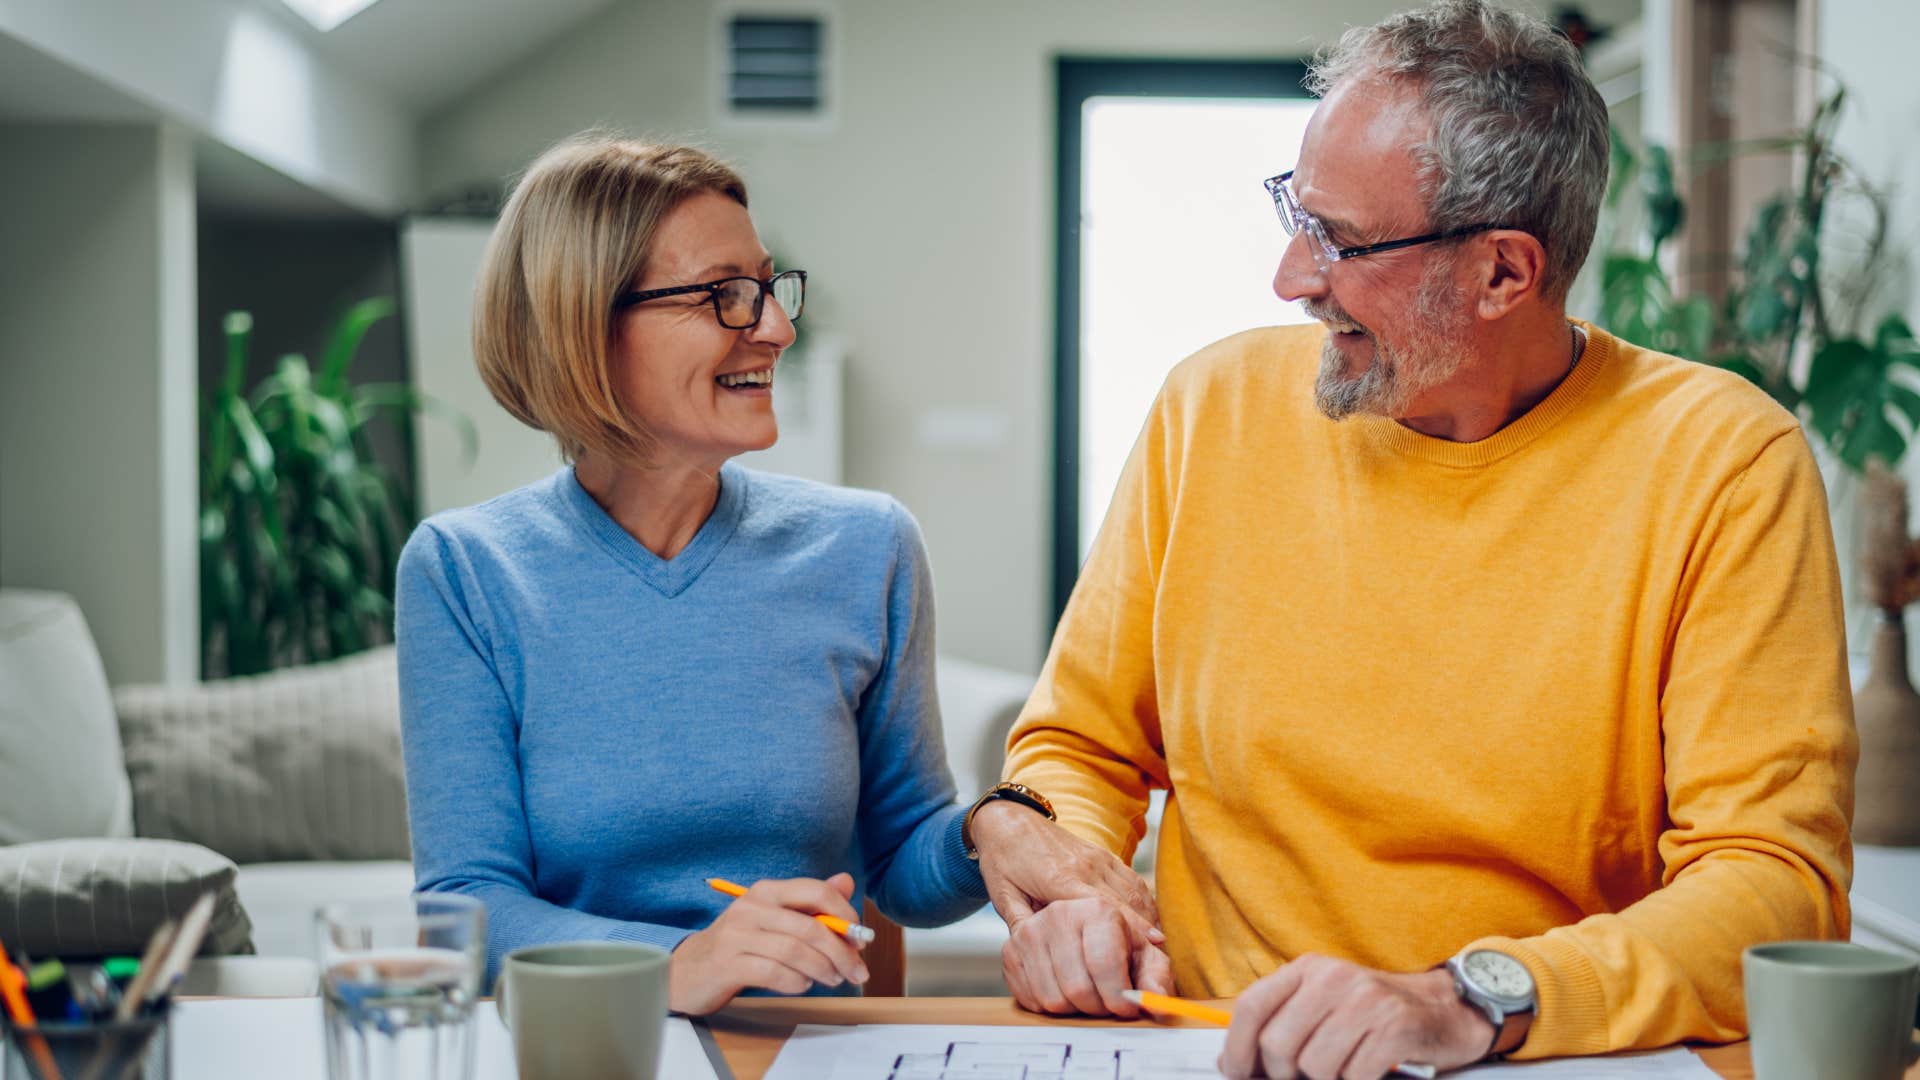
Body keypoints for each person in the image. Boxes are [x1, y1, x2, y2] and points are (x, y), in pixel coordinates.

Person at [965, 2, 1856, 1076]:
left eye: (1341, 240)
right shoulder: (1213, 406)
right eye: (1296, 213)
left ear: (1504, 273)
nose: (1292, 277)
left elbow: (1775, 886)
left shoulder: (1723, 463)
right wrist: (1070, 883)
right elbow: (1079, 745)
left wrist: (1465, 1002)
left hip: (1528, 1057)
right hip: (1204, 1046)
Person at [395, 134, 989, 1015]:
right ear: (584, 323)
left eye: (770, 287)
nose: (778, 328)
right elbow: (468, 908)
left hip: (808, 1055)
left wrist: (996, 830)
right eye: (726, 296)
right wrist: (685, 961)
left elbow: (905, 862)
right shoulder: (465, 571)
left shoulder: (869, 546)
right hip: (591, 1054)